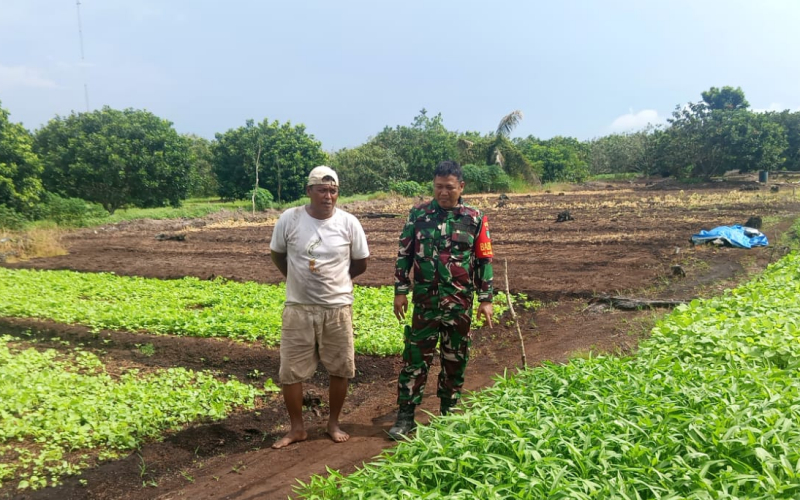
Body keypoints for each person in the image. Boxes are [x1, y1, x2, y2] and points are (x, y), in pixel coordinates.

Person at [388, 160, 494, 440]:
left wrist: (486, 299)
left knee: (454, 358)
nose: (443, 192)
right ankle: (406, 417)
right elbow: (404, 254)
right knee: (415, 358)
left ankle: (448, 413)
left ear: (461, 187)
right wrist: (401, 290)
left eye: (449, 187)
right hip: (425, 303)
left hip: (459, 304)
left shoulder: (475, 217)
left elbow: (484, 260)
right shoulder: (418, 215)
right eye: (438, 187)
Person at [269, 165, 369, 448]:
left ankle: (333, 423)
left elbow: (361, 262)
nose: (328, 196)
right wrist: (293, 277)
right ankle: (297, 428)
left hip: (337, 307)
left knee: (340, 368)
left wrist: (340, 280)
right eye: (322, 190)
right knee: (290, 370)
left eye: (333, 190)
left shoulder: (349, 223)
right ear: (309, 191)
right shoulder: (290, 219)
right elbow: (277, 254)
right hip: (298, 308)